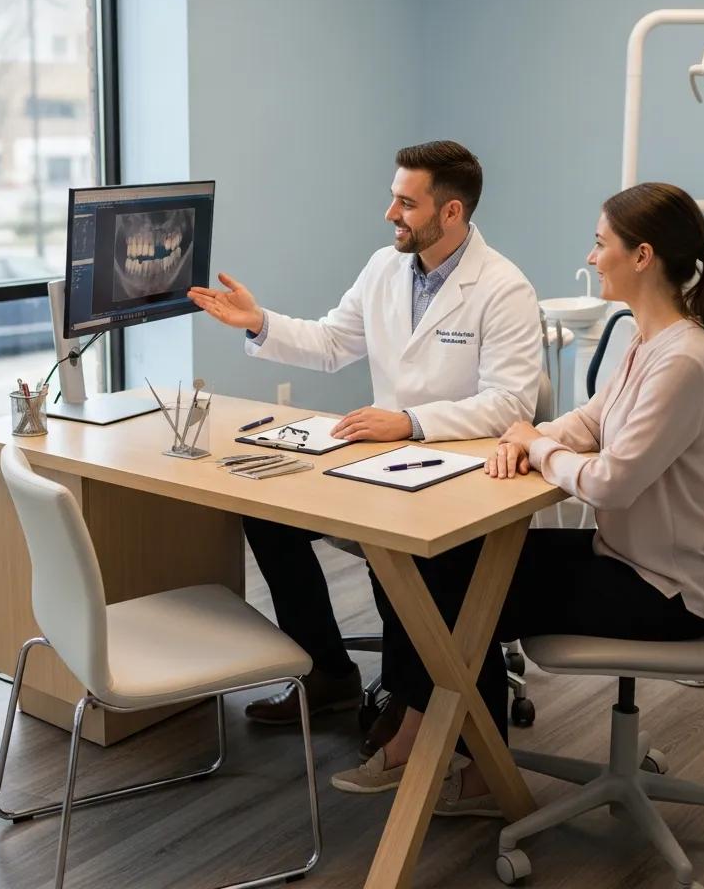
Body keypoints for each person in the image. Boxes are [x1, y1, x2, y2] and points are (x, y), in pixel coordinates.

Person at [331, 181, 704, 813]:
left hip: (667, 590)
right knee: (438, 570)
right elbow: (589, 421)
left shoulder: (684, 360)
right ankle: (465, 760)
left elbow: (610, 478)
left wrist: (536, 446)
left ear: (641, 257)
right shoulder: (651, 342)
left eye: (600, 243)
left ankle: (443, 755)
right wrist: (534, 435)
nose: (590, 257)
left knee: (455, 599)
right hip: (632, 557)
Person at [187, 140, 543, 740]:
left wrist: (408, 422)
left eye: (406, 203)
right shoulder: (384, 268)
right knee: (268, 516)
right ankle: (327, 671)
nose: (390, 214)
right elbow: (331, 343)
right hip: (380, 460)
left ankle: (421, 707)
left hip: (454, 474)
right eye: (392, 199)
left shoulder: (504, 289)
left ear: (450, 212)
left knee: (398, 553)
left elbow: (511, 404)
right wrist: (258, 321)